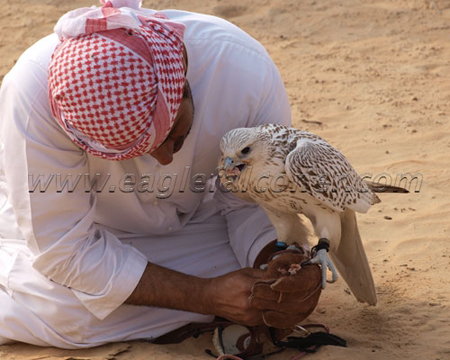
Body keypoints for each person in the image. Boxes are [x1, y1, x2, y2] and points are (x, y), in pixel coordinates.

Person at [0, 0, 316, 348]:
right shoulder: (34, 98)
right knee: (64, 311)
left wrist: (277, 263)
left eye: (172, 133)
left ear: (180, 72)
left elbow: (253, 203)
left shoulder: (243, 72)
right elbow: (64, 251)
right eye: (137, 151)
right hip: (88, 232)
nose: (164, 159)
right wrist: (205, 295)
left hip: (201, 225)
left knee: (267, 281)